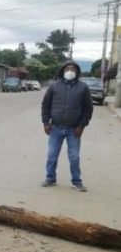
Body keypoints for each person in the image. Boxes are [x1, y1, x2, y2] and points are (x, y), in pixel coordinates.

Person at [41, 60, 93, 192]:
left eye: (73, 69)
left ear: (77, 72)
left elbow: (88, 109)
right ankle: (50, 178)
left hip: (73, 129)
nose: (70, 71)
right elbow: (45, 105)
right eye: (67, 69)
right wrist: (46, 123)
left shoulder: (83, 87)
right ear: (63, 71)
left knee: (74, 157)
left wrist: (81, 126)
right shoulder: (54, 86)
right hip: (56, 128)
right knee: (52, 155)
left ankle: (76, 181)